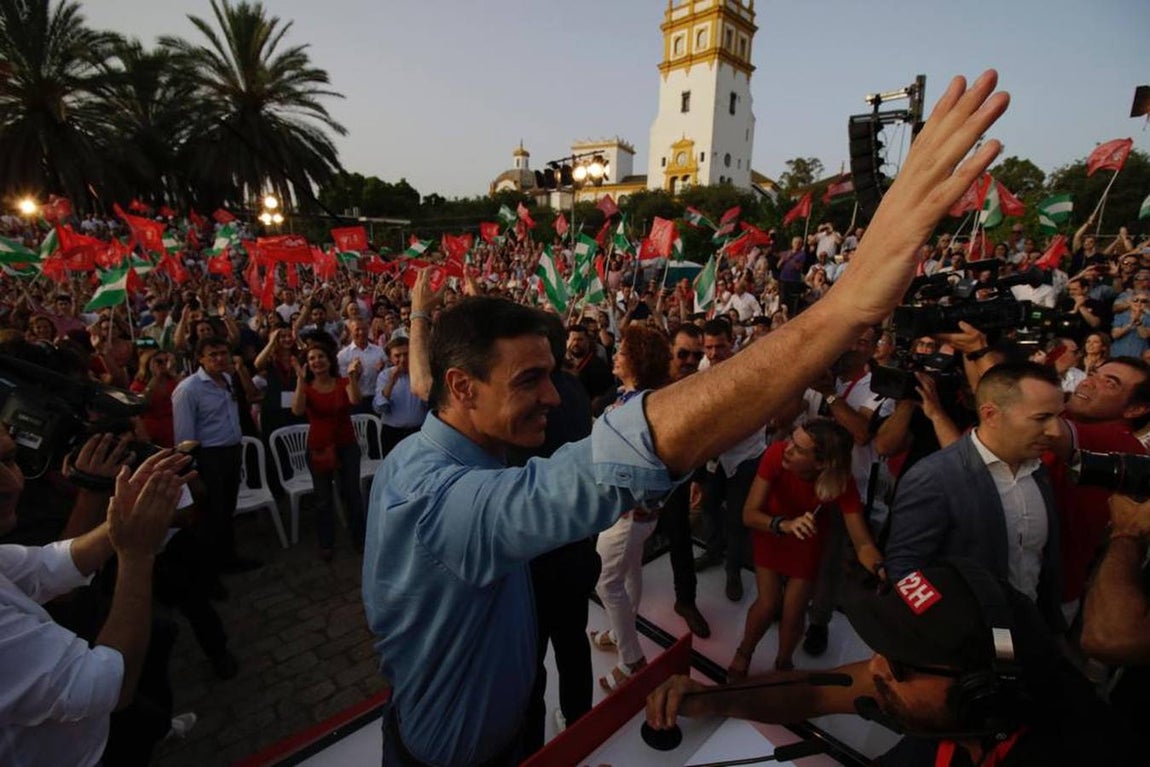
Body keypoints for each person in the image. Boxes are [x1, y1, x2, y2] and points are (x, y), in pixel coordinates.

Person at [362, 69, 1011, 766]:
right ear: (463, 388)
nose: (555, 398)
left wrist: (426, 319)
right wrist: (841, 308)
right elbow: (608, 462)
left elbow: (442, 396)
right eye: (532, 380)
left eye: (553, 374)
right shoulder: (436, 498)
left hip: (514, 731)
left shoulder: (465, 444)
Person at [647, 559, 1139, 766]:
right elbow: (817, 691)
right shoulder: (964, 700)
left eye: (900, 665)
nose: (875, 668)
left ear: (981, 690)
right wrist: (713, 700)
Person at [0, 433, 193, 767]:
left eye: (9, 460)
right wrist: (136, 554)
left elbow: (47, 567)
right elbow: (112, 685)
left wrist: (126, 514)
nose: (13, 484)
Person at [884, 362, 1065, 627]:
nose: (1056, 431)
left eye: (1058, 417)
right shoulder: (935, 477)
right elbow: (903, 571)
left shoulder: (1039, 472)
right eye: (1041, 418)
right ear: (990, 414)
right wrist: (944, 624)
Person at [730, 419, 884, 678]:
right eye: (792, 439)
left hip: (806, 541)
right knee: (768, 603)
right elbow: (749, 514)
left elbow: (863, 542)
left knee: (794, 612)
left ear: (822, 463)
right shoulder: (776, 453)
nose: (787, 448)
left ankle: (783, 664)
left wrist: (882, 570)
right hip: (771, 529)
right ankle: (744, 652)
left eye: (799, 449)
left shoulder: (840, 482)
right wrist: (784, 525)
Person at [588, 325, 672, 693]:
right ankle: (620, 628)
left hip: (627, 514)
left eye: (622, 351)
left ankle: (631, 658)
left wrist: (644, 503)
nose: (615, 355)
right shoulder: (637, 398)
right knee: (629, 569)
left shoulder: (646, 408)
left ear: (636, 360)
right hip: (634, 515)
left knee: (606, 581)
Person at [172, 335, 262, 575]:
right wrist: (191, 473)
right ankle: (210, 569)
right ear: (200, 358)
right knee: (212, 514)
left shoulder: (228, 379)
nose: (220, 359)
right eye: (213, 355)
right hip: (208, 457)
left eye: (223, 353)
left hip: (231, 452)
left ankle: (228, 558)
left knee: (226, 509)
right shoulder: (189, 389)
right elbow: (183, 438)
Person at [291, 342, 366, 560]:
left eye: (321, 356)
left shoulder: (343, 382)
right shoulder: (307, 388)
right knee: (323, 498)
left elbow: (356, 400)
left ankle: (359, 538)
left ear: (329, 360)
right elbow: (296, 410)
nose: (317, 361)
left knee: (352, 494)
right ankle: (326, 542)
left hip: (346, 445)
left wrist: (352, 376)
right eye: (312, 358)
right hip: (319, 447)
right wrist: (299, 380)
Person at [372, 337, 428, 457]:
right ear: (391, 358)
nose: (403, 359)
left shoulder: (421, 375)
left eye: (406, 354)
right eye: (397, 356)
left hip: (417, 432)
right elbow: (380, 408)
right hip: (393, 433)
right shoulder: (384, 376)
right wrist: (391, 381)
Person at [130, 348, 180, 447]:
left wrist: (173, 373)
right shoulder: (138, 385)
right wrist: (156, 377)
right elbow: (140, 405)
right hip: (152, 431)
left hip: (173, 428)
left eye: (166, 361)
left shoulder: (173, 381)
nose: (163, 364)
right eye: (159, 361)